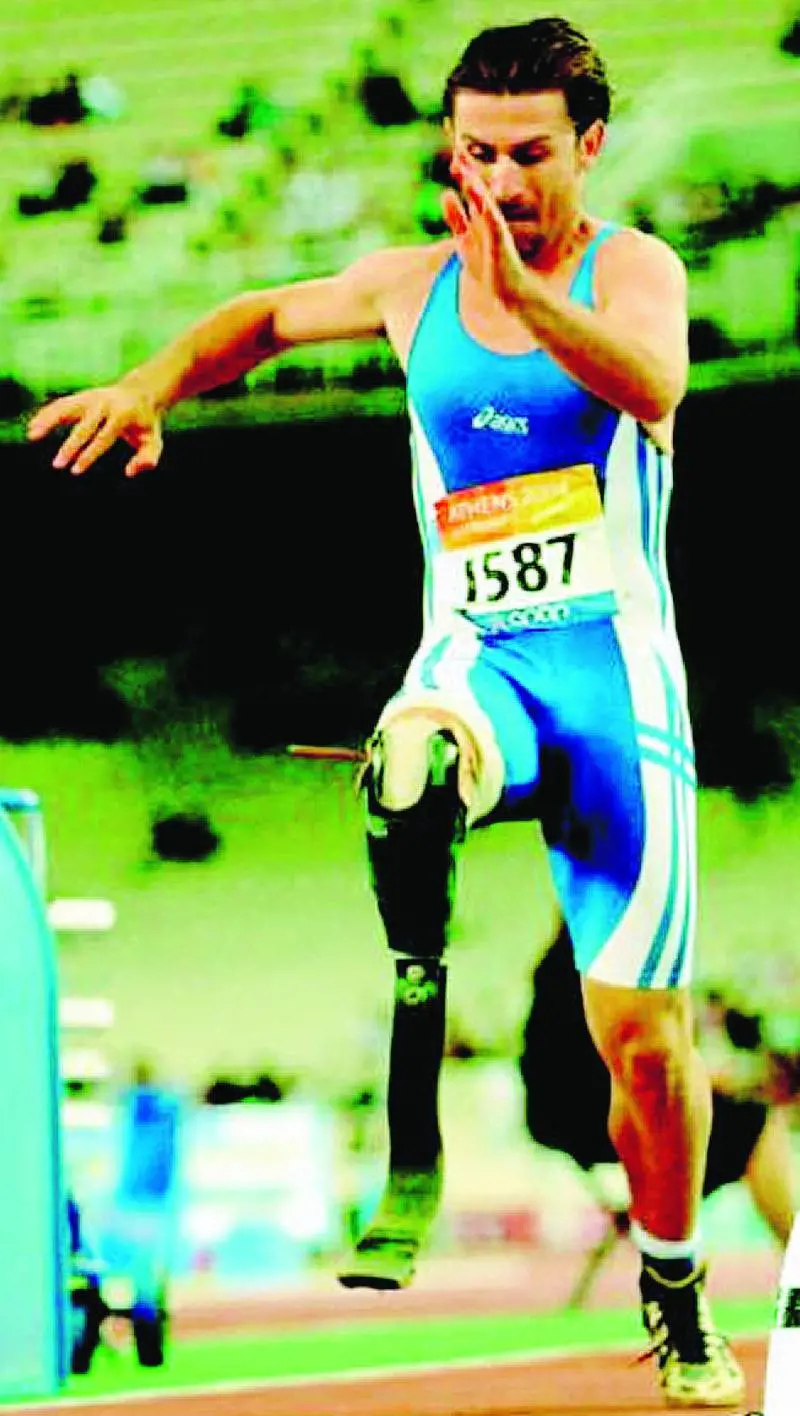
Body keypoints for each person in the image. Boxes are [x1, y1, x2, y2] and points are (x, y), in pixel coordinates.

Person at [27, 17, 744, 1406]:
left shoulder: (631, 271)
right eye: (476, 153)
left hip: (616, 685)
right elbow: (260, 318)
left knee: (642, 1046)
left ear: (589, 147)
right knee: (409, 761)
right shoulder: (412, 286)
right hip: (480, 662)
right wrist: (149, 384)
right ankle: (418, 1033)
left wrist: (530, 300)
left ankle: (674, 1290)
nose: (500, 181)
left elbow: (655, 387)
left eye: (529, 154)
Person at [520, 918, 797, 1250]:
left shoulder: (562, 968)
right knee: (754, 1125)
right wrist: (705, 1080)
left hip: (573, 1119)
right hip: (607, 1122)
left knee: (733, 1120)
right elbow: (638, 1060)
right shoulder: (615, 967)